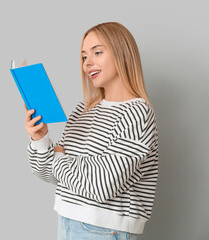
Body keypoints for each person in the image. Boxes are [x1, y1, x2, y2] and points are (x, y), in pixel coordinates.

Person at [24, 22, 159, 240]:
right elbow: (48, 174)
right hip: (66, 220)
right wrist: (40, 141)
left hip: (104, 230)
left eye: (97, 52)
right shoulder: (83, 110)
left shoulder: (137, 113)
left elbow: (101, 187)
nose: (88, 63)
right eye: (84, 56)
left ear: (123, 55)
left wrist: (58, 155)